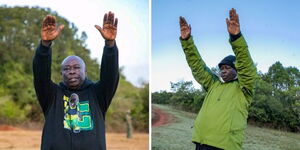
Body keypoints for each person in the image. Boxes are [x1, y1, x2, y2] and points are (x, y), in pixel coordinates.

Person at [33, 11, 119, 150]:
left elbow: (110, 74)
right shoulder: (51, 96)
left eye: (76, 67)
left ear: (85, 71)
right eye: (66, 69)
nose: (71, 71)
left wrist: (110, 45)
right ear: (61, 73)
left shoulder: (98, 95)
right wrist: (44, 45)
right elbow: (40, 74)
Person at [179, 8, 257, 150]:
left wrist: (236, 37)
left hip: (224, 146)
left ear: (236, 70)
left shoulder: (244, 89)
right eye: (221, 69)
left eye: (227, 68)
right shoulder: (213, 85)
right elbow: (197, 65)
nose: (223, 71)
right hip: (200, 142)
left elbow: (246, 65)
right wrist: (187, 41)